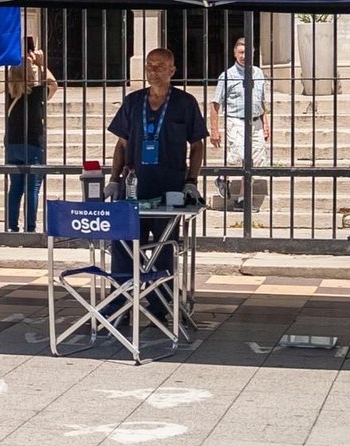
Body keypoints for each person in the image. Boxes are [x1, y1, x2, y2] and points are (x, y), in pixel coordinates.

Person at [107, 49, 208, 309]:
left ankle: (161, 305)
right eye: (149, 66)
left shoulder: (185, 103)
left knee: (165, 249)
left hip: (169, 189)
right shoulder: (132, 102)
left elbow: (197, 145)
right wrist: (114, 178)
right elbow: (121, 144)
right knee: (124, 246)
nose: (153, 71)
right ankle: (122, 303)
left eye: (159, 66)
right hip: (133, 189)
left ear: (172, 70)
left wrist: (191, 180)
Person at [210, 37, 270, 211]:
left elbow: (262, 101)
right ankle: (223, 176)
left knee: (254, 160)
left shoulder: (258, 73)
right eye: (241, 52)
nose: (244, 56)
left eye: (247, 52)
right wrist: (214, 129)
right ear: (235, 53)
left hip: (255, 121)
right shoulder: (227, 76)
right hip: (236, 120)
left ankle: (244, 198)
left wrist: (266, 123)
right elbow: (215, 104)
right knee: (239, 155)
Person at [4, 36, 57, 233]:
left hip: (12, 145)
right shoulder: (36, 94)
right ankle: (30, 227)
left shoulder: (9, 95)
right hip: (32, 144)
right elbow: (54, 84)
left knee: (15, 187)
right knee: (32, 188)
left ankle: (11, 227)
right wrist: (41, 65)